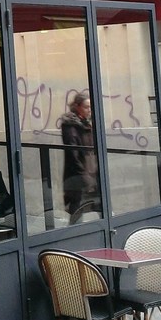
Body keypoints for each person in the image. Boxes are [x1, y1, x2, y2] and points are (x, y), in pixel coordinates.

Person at [60, 92, 100, 224]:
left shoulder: (87, 123)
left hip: (92, 172)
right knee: (77, 208)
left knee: (98, 205)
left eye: (90, 107)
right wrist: (84, 176)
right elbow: (73, 153)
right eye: (86, 107)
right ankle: (74, 232)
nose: (89, 110)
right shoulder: (71, 126)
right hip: (79, 175)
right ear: (77, 106)